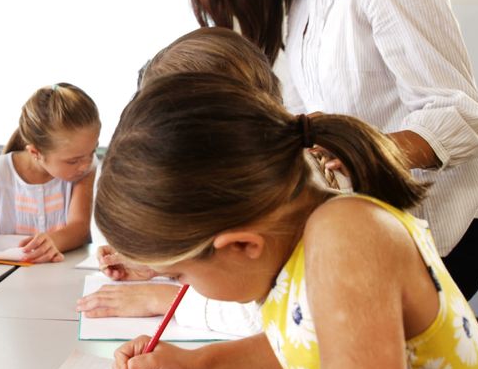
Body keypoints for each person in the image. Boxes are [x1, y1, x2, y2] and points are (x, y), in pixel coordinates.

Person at [184, 0, 478, 299]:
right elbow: (307, 114)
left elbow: (460, 115)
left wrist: (364, 153)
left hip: (436, 231)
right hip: (363, 221)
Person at [99, 73, 478, 369]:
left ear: (240, 245)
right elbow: (315, 347)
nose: (182, 285)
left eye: (180, 273)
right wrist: (195, 365)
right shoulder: (295, 247)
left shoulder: (347, 237)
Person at [77, 27, 344, 337]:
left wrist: (167, 299)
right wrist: (166, 260)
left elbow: (272, 315)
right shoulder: (284, 171)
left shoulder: (289, 199)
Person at [0, 83, 99, 263]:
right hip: (3, 277)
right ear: (35, 153)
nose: (86, 164)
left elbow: (79, 228)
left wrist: (54, 241)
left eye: (93, 151)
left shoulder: (82, 171)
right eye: (73, 160)